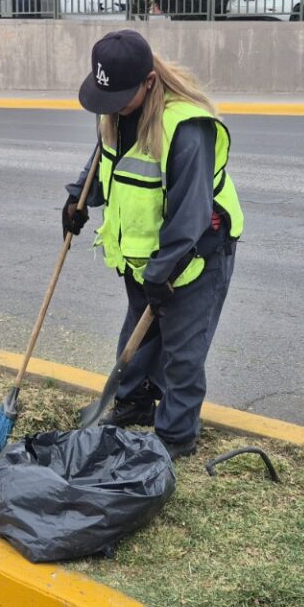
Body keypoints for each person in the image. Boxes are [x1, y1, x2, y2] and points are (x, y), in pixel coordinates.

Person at [63, 30, 243, 459]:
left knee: (182, 349)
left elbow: (191, 213)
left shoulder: (185, 127)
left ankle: (175, 437)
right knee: (139, 337)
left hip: (197, 251)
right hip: (141, 258)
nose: (112, 107)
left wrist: (166, 270)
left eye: (122, 97)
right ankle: (134, 402)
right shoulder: (116, 111)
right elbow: (104, 163)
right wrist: (79, 198)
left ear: (148, 82)